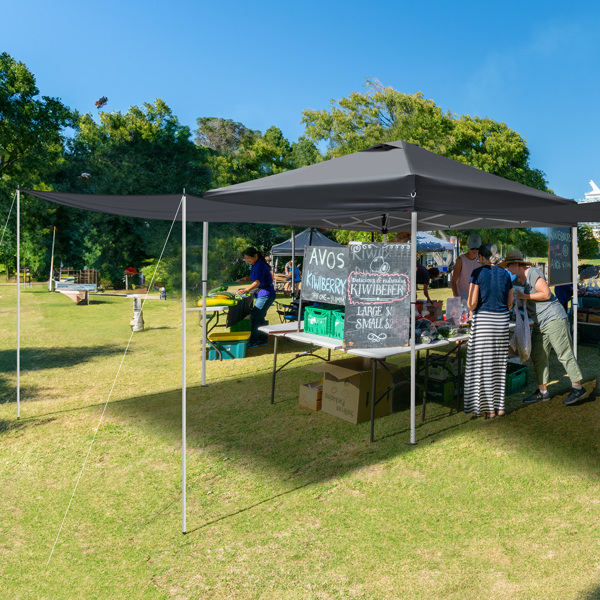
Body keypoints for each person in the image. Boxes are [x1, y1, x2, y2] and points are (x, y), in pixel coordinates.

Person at [501, 249, 588, 406]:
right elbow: (519, 302)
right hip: (539, 322)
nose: (507, 269)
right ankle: (542, 392)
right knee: (538, 355)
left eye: (508, 266)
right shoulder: (516, 281)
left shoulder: (533, 272)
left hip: (553, 318)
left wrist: (525, 296)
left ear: (516, 264)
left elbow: (546, 294)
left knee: (564, 353)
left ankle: (578, 387)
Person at [463, 243, 514, 418]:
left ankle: (488, 409)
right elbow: (510, 303)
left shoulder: (477, 273)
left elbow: (472, 303)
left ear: (482, 257)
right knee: (499, 364)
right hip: (501, 322)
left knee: (483, 366)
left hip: (484, 322)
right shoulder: (506, 274)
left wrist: (469, 305)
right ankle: (500, 407)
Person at [238, 247, 276, 349]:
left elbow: (257, 282)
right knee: (260, 317)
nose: (247, 261)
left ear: (255, 256)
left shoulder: (259, 265)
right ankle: (263, 339)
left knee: (255, 318)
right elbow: (256, 277)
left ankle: (254, 341)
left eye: (248, 258)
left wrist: (245, 290)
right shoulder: (255, 264)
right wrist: (246, 279)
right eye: (245, 259)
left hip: (266, 294)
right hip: (263, 294)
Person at [451, 233, 482, 298]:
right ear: (467, 246)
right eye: (472, 248)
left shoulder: (482, 259)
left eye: (477, 248)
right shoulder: (460, 260)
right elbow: (453, 281)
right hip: (463, 299)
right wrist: (456, 296)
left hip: (478, 298)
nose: (474, 250)